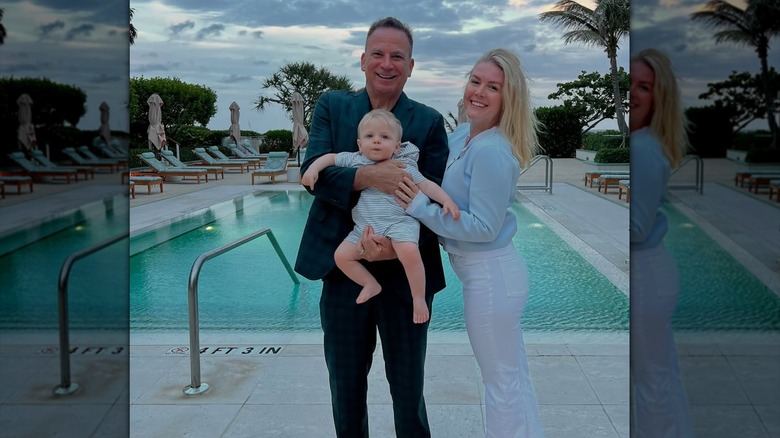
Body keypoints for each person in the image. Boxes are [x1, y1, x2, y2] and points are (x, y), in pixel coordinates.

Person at [293, 17, 449, 437]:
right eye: (377, 54)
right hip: (345, 270)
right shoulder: (332, 106)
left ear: (411, 66)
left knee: (408, 389)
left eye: (397, 56)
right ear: (363, 60)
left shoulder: (429, 121)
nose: (386, 63)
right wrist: (371, 177)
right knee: (345, 386)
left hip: (406, 273)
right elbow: (314, 174)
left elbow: (432, 196)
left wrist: (393, 247)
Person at [394, 48, 544, 437]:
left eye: (493, 87)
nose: (479, 92)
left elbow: (483, 227)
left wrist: (418, 209)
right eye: (475, 81)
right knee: (512, 375)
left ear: (508, 99)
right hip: (486, 276)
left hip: (492, 278)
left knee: (501, 382)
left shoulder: (494, 150)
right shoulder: (463, 133)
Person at [301, 109, 459, 324]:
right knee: (341, 256)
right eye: (369, 137)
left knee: (410, 253)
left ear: (396, 146)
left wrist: (446, 200)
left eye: (384, 137)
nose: (376, 141)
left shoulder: (404, 165)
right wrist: (313, 170)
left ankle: (419, 298)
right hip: (364, 227)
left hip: (399, 223)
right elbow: (329, 157)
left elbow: (427, 185)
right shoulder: (355, 160)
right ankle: (369, 283)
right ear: (359, 143)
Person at [629, 48, 694, 437]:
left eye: (645, 87)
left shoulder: (643, 149)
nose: (635, 94)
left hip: (646, 277)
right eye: (632, 84)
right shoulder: (645, 143)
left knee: (652, 385)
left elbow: (635, 227)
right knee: (661, 378)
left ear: (659, 97)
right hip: (653, 273)